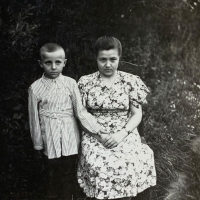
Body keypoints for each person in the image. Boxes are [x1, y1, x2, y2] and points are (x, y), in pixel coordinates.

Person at [77, 36, 157, 200]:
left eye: (113, 59)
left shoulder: (130, 81)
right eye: (103, 59)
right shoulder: (86, 83)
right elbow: (82, 116)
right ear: (96, 58)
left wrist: (122, 134)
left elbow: (137, 114)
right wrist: (100, 135)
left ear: (119, 57)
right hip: (95, 134)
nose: (108, 64)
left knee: (131, 160)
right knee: (99, 164)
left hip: (125, 131)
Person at [28, 43, 105, 199]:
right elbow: (33, 119)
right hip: (49, 137)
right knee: (51, 176)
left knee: (68, 174)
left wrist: (98, 129)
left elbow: (80, 111)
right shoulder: (35, 88)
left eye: (58, 62)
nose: (54, 67)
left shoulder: (70, 83)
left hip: (69, 136)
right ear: (40, 64)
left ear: (64, 62)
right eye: (48, 63)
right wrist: (38, 143)